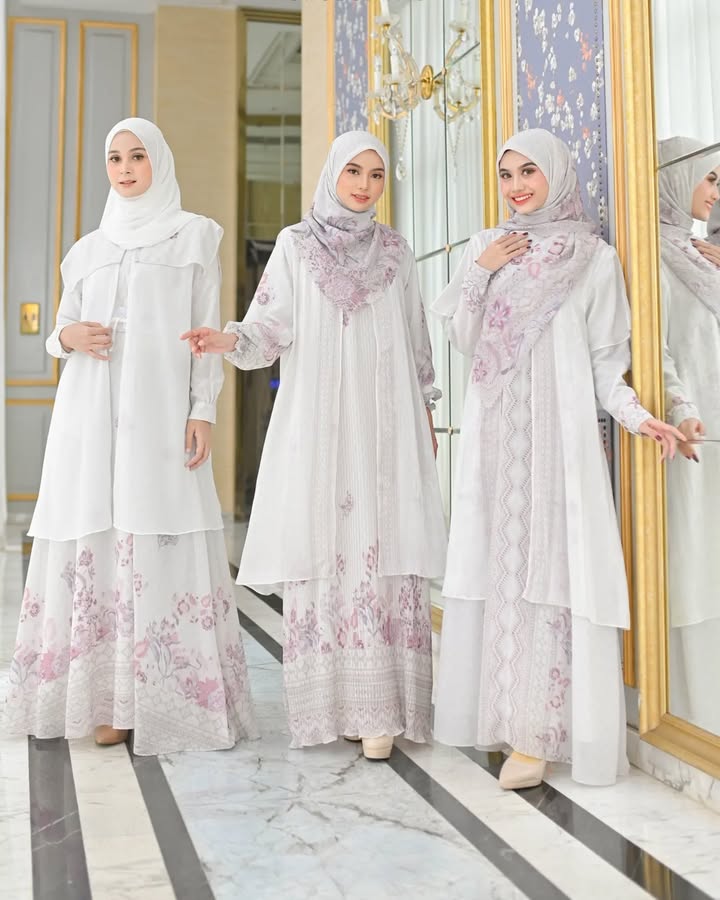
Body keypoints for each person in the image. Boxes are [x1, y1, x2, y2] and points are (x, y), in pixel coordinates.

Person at [182, 131, 446, 760]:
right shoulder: (297, 246)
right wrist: (225, 340)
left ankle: (381, 709)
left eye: (376, 175)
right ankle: (333, 704)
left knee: (383, 547)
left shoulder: (397, 252)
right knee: (325, 544)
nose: (364, 185)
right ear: (332, 174)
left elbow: (416, 340)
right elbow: (268, 328)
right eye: (353, 171)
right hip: (321, 427)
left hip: (386, 427)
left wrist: (426, 411)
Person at [432, 128, 682, 788]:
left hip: (557, 440)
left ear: (557, 175)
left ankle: (537, 731)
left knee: (551, 572)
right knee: (498, 568)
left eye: (529, 172)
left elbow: (605, 364)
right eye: (507, 173)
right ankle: (500, 715)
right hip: (494, 436)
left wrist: (639, 416)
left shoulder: (593, 257)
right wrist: (482, 270)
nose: (516, 186)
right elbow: (464, 337)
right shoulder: (488, 246)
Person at [2, 118, 257, 755]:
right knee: (99, 535)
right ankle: (106, 700)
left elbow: (204, 334)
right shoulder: (86, 251)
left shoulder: (195, 237)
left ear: (158, 162)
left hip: (159, 411)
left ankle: (164, 696)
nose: (124, 168)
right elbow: (59, 330)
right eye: (114, 158)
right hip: (88, 416)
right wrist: (67, 338)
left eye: (137, 156)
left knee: (157, 531)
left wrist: (202, 410)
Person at [658, 136, 720, 734]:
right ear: (675, 178)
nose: (716, 192)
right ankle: (693, 714)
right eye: (709, 178)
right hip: (690, 436)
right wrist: (682, 407)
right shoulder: (653, 254)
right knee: (695, 565)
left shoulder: (699, 256)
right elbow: (656, 351)